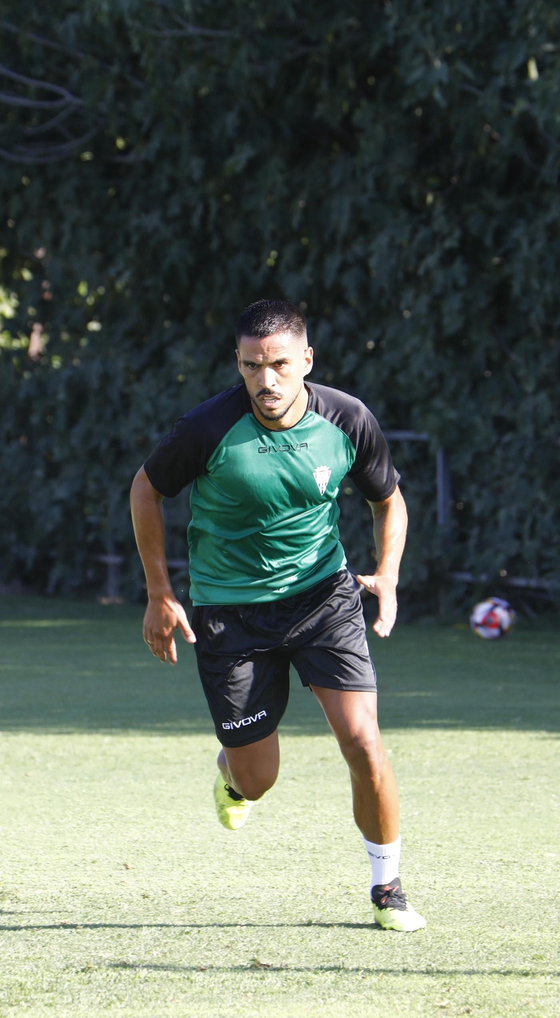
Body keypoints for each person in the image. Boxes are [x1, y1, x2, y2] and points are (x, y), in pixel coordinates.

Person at [129, 299, 425, 932]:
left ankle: (387, 886)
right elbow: (146, 489)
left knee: (364, 742)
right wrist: (160, 592)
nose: (266, 381)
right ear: (238, 364)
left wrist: (389, 574)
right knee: (258, 779)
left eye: (280, 365)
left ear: (307, 361)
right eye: (251, 366)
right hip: (231, 615)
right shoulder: (208, 428)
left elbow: (389, 500)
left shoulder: (346, 420)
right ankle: (231, 777)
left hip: (324, 598)